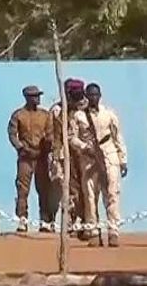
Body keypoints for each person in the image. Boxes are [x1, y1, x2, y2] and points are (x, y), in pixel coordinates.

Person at [72, 83, 127, 247]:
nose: (93, 98)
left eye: (96, 95)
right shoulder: (79, 116)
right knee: (90, 196)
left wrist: (123, 160)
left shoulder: (109, 115)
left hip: (109, 156)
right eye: (90, 95)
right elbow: (72, 138)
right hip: (88, 159)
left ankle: (113, 231)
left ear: (100, 96)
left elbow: (118, 138)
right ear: (86, 97)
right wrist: (83, 147)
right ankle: (94, 232)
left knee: (112, 194)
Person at [7, 86, 54, 232]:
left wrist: (48, 143)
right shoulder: (18, 115)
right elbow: (12, 133)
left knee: (44, 189)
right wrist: (20, 147)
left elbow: (51, 132)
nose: (37, 99)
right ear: (27, 97)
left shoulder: (45, 115)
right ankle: (22, 219)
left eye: (38, 96)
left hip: (41, 157)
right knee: (22, 189)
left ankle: (45, 220)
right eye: (34, 96)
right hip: (25, 157)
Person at [50, 78, 88, 237]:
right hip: (66, 155)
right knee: (69, 189)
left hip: (85, 155)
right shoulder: (58, 110)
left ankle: (88, 223)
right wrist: (56, 156)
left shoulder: (86, 109)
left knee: (87, 190)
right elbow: (54, 134)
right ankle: (71, 223)